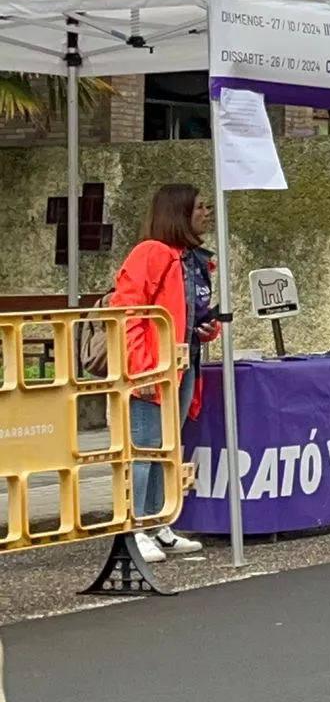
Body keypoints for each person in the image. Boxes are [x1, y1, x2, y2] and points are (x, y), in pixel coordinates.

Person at [109, 183, 222, 565]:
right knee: (145, 446)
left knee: (167, 445)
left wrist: (206, 329)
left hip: (182, 361)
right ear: (179, 213)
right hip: (154, 365)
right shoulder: (152, 253)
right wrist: (140, 368)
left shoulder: (190, 258)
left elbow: (185, 315)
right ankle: (135, 528)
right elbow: (128, 312)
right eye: (199, 207)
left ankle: (157, 523)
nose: (207, 213)